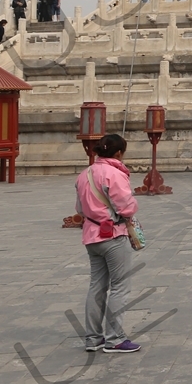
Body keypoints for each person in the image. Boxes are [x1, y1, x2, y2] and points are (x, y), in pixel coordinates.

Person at [75, 133, 143, 353]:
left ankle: (93, 338)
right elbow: (126, 207)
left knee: (97, 286)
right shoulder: (114, 174)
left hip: (91, 235)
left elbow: (79, 209)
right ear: (119, 153)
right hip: (113, 234)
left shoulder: (84, 174)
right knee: (120, 287)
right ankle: (115, 338)